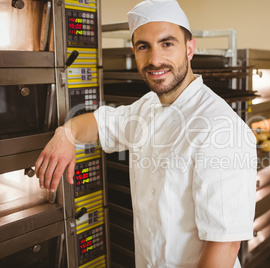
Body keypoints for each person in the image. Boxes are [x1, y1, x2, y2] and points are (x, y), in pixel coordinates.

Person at [35, 0, 257, 267]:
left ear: (189, 48)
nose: (155, 60)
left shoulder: (221, 127)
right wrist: (66, 133)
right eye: (144, 46)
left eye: (167, 43)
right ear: (134, 51)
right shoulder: (148, 107)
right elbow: (100, 123)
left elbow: (225, 243)